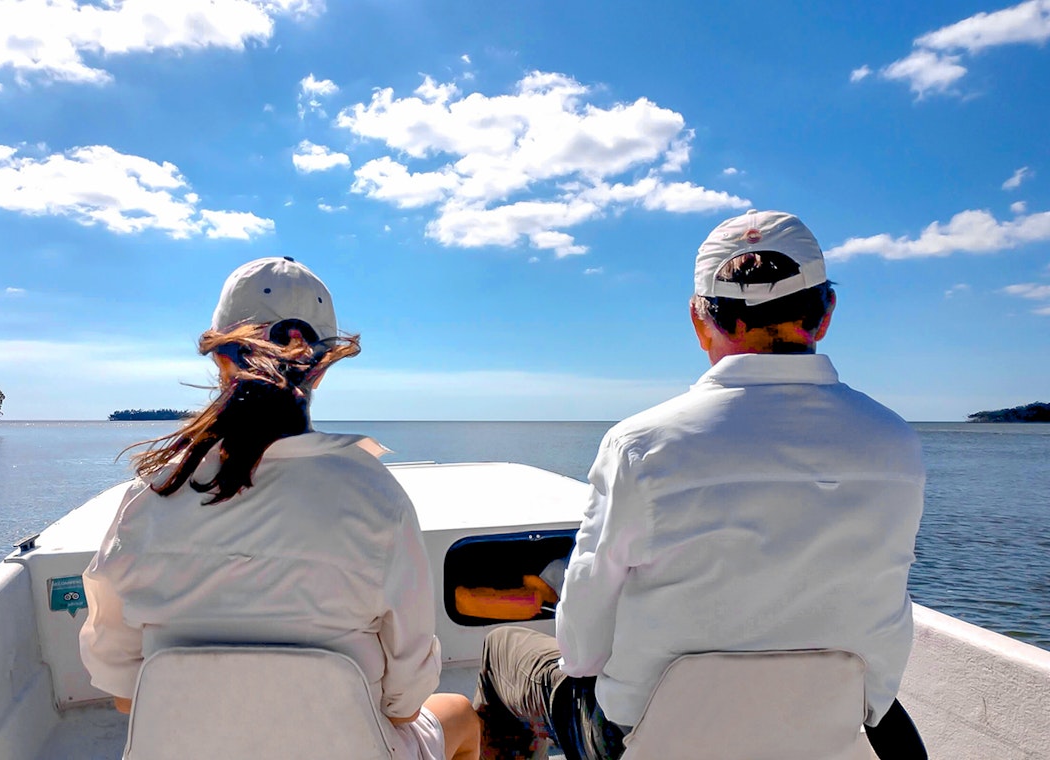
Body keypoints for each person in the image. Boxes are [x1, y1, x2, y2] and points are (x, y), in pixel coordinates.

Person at [474, 210, 927, 759]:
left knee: (502, 650)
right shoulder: (895, 442)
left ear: (698, 319)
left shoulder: (639, 446)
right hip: (822, 733)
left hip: (651, 742)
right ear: (826, 312)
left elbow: (581, 650)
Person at [79, 257, 480, 760]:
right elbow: (403, 705)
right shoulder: (376, 497)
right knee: (460, 713)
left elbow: (122, 694)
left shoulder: (151, 494)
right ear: (322, 366)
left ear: (220, 357)